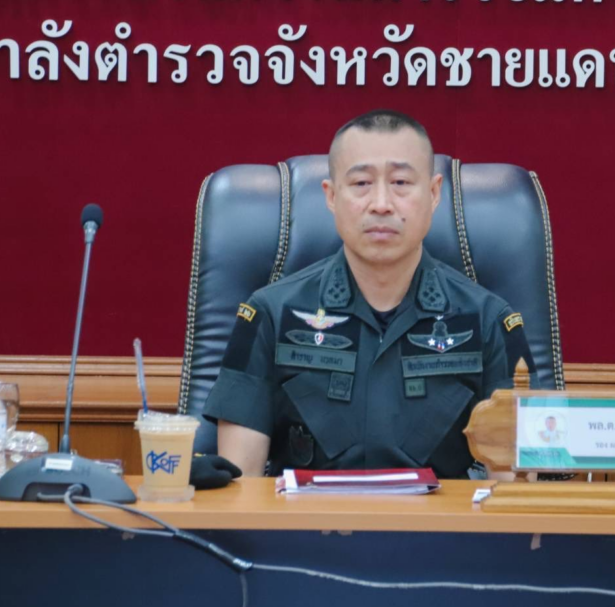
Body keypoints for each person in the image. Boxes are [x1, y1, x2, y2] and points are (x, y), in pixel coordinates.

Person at [202, 110, 535, 479]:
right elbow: (241, 486)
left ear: (433, 193)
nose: (381, 203)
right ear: (331, 196)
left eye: (401, 182)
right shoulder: (270, 315)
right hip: (305, 517)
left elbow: (517, 492)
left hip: (442, 518)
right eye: (361, 183)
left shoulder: (488, 321)